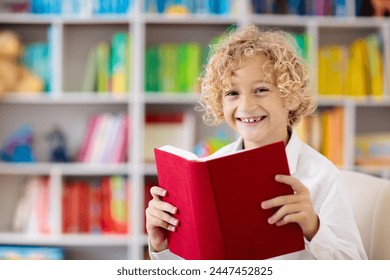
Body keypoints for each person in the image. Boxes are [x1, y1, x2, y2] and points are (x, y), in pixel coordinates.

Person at [145, 25, 367, 260]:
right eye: (232, 93)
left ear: (289, 95)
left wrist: (313, 227)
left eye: (261, 89)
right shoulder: (207, 175)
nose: (246, 107)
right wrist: (161, 246)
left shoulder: (321, 177)